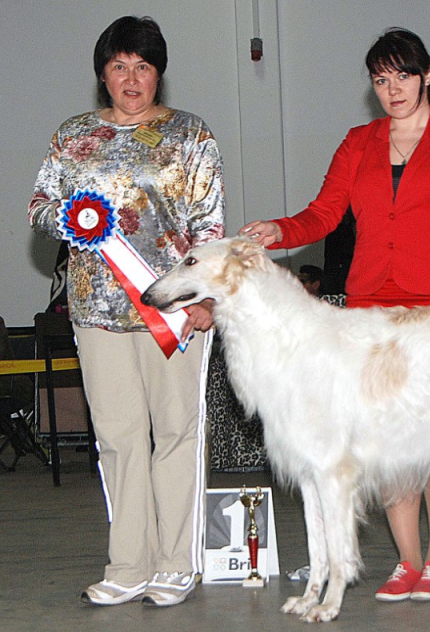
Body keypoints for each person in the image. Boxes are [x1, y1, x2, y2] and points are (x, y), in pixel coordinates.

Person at [240, 28, 430, 601]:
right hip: (371, 309)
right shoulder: (358, 142)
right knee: (383, 438)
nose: (392, 89)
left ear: (427, 74)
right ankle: (405, 561)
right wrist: (281, 230)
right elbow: (325, 213)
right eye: (380, 80)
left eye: (402, 75)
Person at [28, 16, 225, 606]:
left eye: (142, 66)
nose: (131, 78)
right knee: (117, 439)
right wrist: (68, 219)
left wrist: (207, 297)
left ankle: (176, 562)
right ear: (103, 75)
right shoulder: (73, 136)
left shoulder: (191, 135)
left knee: (175, 433)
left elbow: (209, 224)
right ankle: (128, 563)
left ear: (158, 73)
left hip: (174, 312)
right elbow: (40, 207)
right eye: (119, 66)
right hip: (96, 309)